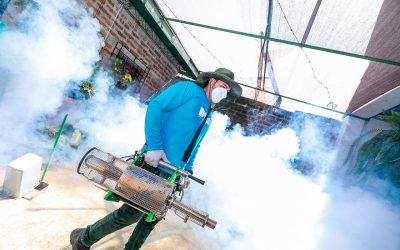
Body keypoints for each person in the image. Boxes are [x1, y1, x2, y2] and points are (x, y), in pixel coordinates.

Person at [70, 68, 242, 250]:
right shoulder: (188, 90)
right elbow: (156, 106)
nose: (224, 92)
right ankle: (83, 239)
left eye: (228, 90)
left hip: (173, 174)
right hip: (154, 163)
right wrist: (154, 146)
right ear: (212, 81)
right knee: (131, 213)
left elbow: (195, 144)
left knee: (151, 219)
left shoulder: (209, 114)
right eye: (223, 86)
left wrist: (188, 169)